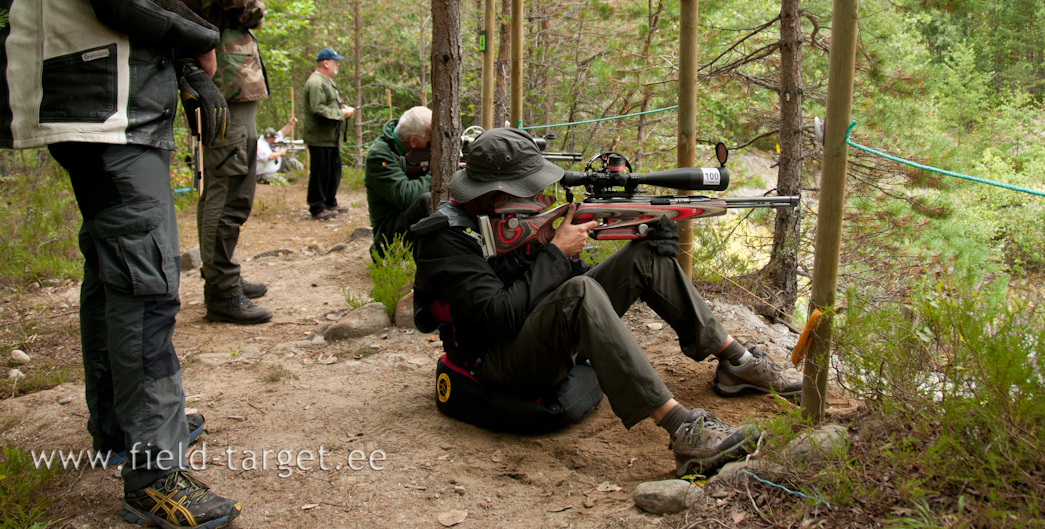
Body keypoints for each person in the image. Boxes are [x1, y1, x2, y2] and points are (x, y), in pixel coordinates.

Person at [0, 0, 241, 528]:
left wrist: (192, 70)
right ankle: (154, 473)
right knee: (144, 283)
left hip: (108, 110)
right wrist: (202, 42)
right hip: (98, 112)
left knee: (115, 275)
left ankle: (124, 431)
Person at [412, 128, 802, 478]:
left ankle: (737, 363)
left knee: (643, 257)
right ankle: (681, 428)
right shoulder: (446, 238)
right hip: (497, 362)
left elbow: (554, 285)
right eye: (529, 188)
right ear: (497, 192)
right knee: (581, 292)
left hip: (538, 333)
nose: (538, 196)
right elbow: (498, 317)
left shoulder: (517, 219)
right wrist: (556, 253)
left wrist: (639, 229)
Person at [168, 0, 275, 325]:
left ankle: (223, 274)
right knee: (228, 188)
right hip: (226, 86)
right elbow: (253, 8)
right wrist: (249, 3)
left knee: (227, 184)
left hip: (214, 87)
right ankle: (222, 290)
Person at [364, 106, 433, 257]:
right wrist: (438, 173)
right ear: (413, 141)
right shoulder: (378, 155)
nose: (435, 145)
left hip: (409, 226)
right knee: (426, 201)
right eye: (430, 140)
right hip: (390, 236)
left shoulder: (411, 148)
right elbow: (406, 195)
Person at [302, 48, 355, 219]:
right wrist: (342, 114)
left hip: (330, 137)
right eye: (335, 61)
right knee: (320, 173)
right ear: (326, 63)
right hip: (319, 137)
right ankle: (317, 207)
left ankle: (329, 202)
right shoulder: (316, 82)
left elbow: (329, 105)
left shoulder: (327, 81)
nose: (337, 65)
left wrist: (342, 109)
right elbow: (317, 109)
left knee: (333, 170)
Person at [256, 117, 299, 183]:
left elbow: (282, 132)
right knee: (283, 181)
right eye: (273, 138)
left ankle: (303, 175)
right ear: (268, 138)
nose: (275, 140)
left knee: (292, 161)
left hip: (277, 167)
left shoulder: (274, 139)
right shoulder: (260, 145)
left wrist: (290, 124)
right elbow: (270, 156)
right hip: (264, 173)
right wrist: (280, 152)